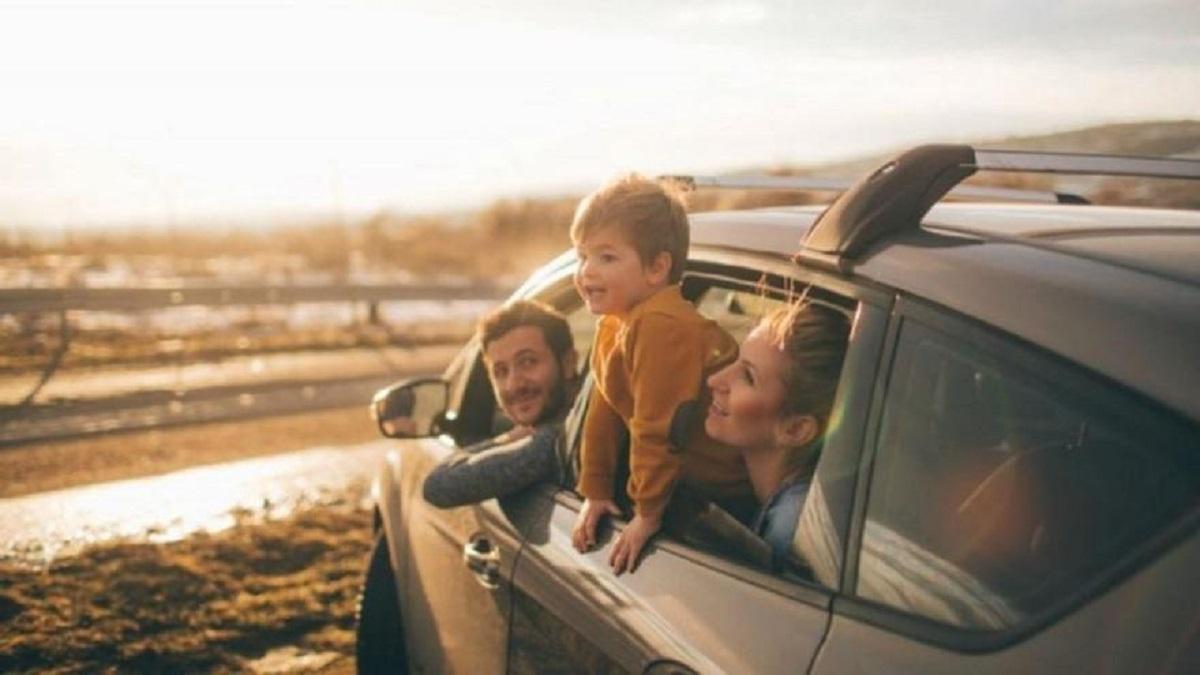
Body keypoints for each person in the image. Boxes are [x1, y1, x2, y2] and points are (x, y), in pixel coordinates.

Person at [568, 174, 750, 574]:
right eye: (582, 256)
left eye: (606, 257)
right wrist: (595, 491)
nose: (586, 272)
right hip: (687, 483)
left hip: (723, 492)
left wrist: (646, 513)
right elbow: (605, 407)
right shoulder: (618, 321)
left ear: (656, 268)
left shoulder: (661, 325)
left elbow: (658, 427)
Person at [703, 302, 850, 569]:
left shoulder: (789, 533)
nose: (715, 380)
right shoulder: (796, 503)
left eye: (747, 377)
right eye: (736, 360)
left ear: (795, 429)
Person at [421, 299, 581, 508]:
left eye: (528, 362)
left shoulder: (559, 441)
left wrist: (508, 440)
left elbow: (438, 486)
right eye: (500, 372)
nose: (514, 384)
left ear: (568, 363)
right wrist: (512, 437)